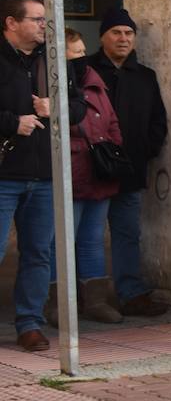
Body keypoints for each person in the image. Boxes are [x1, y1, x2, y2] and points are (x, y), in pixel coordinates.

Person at [87, 7, 169, 317]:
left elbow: (158, 121)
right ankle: (88, 296)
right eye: (116, 33)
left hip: (130, 170)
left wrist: (145, 150)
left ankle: (131, 293)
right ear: (102, 37)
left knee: (127, 233)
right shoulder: (84, 71)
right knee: (90, 236)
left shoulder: (145, 76)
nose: (123, 38)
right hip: (93, 170)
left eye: (128, 33)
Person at [51, 34, 126, 325]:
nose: (81, 56)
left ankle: (95, 300)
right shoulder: (54, 82)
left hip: (99, 173)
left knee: (92, 240)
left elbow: (112, 121)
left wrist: (113, 150)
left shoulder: (96, 83)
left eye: (83, 50)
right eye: (74, 52)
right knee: (60, 241)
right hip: (70, 172)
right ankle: (58, 303)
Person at [0, 0, 54, 352]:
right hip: (5, 174)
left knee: (38, 253)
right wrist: (9, 123)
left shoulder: (51, 62)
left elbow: (81, 106)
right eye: (35, 19)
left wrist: (57, 107)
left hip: (45, 175)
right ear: (11, 23)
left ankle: (30, 323)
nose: (42, 26)